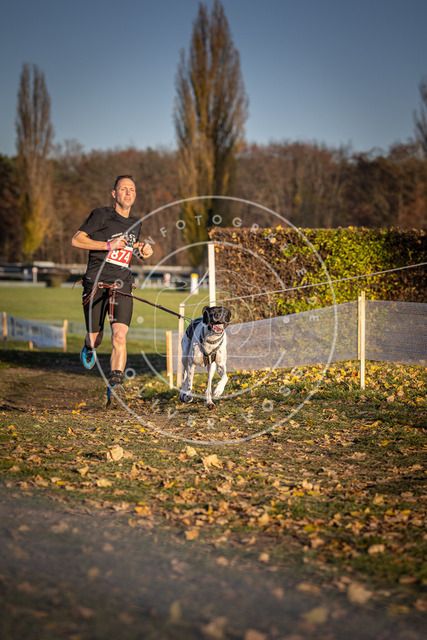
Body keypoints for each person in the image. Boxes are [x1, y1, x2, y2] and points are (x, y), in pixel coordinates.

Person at [71, 175, 153, 408]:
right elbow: (76, 240)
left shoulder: (136, 223)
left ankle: (115, 387)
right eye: (123, 189)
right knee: (95, 339)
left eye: (132, 189)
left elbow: (128, 249)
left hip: (122, 283)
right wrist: (108, 245)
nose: (128, 193)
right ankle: (88, 347)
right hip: (96, 283)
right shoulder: (101, 215)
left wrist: (142, 250)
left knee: (119, 335)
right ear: (114, 194)